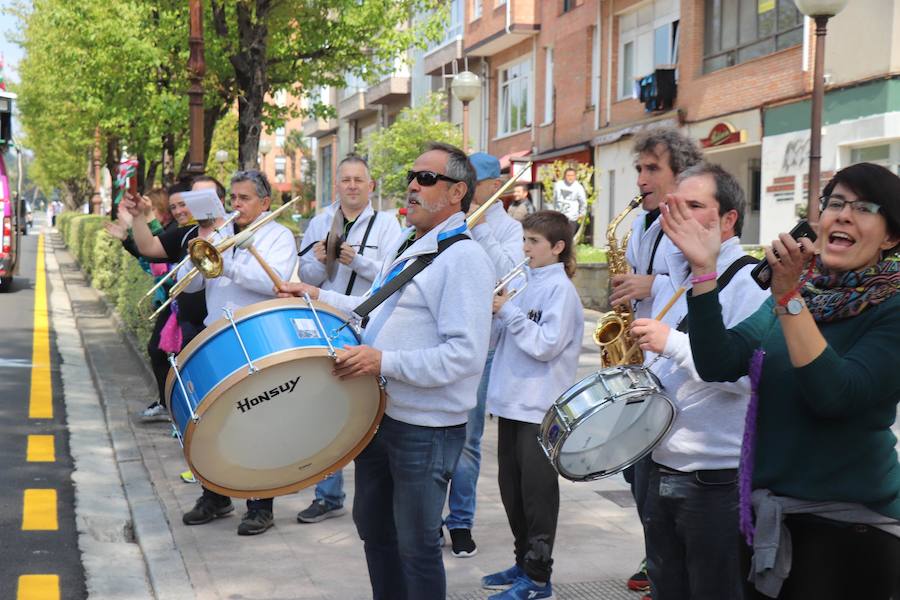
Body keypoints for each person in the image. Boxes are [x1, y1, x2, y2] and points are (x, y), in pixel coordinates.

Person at [660, 161, 900, 600]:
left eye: (863, 207)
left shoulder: (889, 308)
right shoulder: (799, 294)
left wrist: (789, 298)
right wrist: (704, 271)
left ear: (891, 237)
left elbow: (836, 395)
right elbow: (719, 361)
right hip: (770, 518)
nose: (843, 215)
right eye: (836, 204)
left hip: (852, 530)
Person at [279, 142, 494, 599]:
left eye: (427, 179)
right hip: (380, 415)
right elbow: (371, 310)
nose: (413, 186)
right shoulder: (410, 240)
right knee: (375, 531)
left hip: (426, 429)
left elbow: (465, 356)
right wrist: (317, 296)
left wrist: (383, 362)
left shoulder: (465, 259)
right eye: (412, 177)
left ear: (457, 192)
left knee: (416, 546)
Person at [629, 163, 769, 600]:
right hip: (662, 464)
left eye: (695, 206)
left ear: (728, 220)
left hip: (715, 480)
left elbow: (745, 379)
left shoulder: (751, 282)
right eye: (675, 205)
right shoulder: (679, 276)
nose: (680, 216)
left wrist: (670, 342)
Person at [608, 127, 703, 596]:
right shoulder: (643, 226)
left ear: (681, 174)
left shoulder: (695, 221)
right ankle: (657, 556)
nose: (642, 179)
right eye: (639, 169)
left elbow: (710, 283)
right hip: (643, 360)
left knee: (657, 480)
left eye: (652, 169)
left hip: (681, 369)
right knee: (638, 474)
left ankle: (663, 564)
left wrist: (651, 286)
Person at [177, 170, 297, 536]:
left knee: (258, 424)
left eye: (244, 198)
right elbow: (190, 283)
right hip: (217, 335)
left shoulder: (278, 236)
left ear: (264, 202)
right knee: (213, 422)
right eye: (233, 198)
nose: (236, 205)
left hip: (256, 336)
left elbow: (275, 282)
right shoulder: (221, 232)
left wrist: (229, 262)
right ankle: (215, 495)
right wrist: (202, 243)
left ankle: (260, 505)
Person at [480, 210, 583, 600]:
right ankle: (523, 562)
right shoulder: (522, 282)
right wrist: (494, 313)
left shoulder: (562, 291)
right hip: (509, 402)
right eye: (523, 239)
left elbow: (545, 346)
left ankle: (539, 578)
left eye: (534, 242)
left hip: (540, 407)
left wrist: (508, 311)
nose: (525, 248)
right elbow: (498, 341)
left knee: (538, 496)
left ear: (557, 248)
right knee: (512, 491)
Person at [296, 154, 401, 524]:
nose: (352, 186)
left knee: (369, 406)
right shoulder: (320, 221)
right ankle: (327, 494)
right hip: (326, 320)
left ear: (371, 186)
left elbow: (391, 277)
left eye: (359, 180)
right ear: (336, 186)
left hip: (370, 324)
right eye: (346, 180)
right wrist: (319, 259)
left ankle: (376, 492)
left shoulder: (388, 224)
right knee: (325, 405)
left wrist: (356, 261)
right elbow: (306, 273)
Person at [443, 152, 525, 558]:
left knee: (468, 441)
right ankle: (428, 518)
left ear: (495, 187)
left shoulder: (510, 229)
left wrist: (482, 229)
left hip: (484, 347)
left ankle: (460, 521)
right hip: (443, 340)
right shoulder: (449, 221)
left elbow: (515, 278)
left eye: (479, 185)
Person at [552, 167, 586, 235]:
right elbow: (555, 199)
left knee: (569, 237)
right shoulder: (558, 185)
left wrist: (582, 213)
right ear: (564, 176)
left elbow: (583, 202)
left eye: (572, 175)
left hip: (572, 217)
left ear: (575, 176)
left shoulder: (578, 187)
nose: (570, 177)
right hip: (559, 217)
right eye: (568, 175)